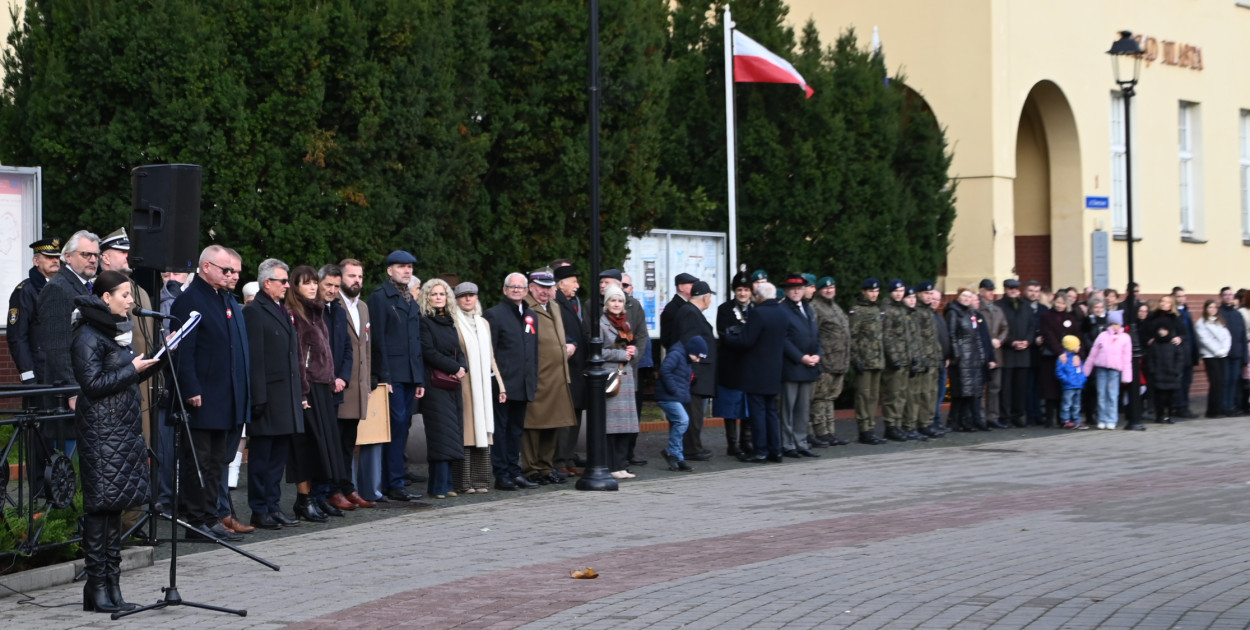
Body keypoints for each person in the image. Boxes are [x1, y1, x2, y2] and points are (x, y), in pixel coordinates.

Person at [71, 270, 164, 613]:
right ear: (105, 298)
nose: (130, 300)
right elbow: (93, 385)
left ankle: (112, 585)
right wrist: (132, 370)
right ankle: (97, 588)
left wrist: (153, 364)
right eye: (125, 294)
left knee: (113, 509)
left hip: (119, 431)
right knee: (100, 510)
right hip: (100, 432)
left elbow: (121, 376)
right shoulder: (86, 336)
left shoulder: (111, 333)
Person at [169, 245, 249, 542]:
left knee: (217, 461)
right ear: (205, 267)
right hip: (201, 396)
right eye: (225, 270)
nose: (230, 275)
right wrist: (190, 388)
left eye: (232, 271)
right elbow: (183, 350)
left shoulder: (221, 298)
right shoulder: (189, 300)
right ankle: (195, 520)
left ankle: (211, 516)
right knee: (198, 461)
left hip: (223, 396)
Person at [242, 259, 303, 530]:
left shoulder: (282, 309)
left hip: (285, 396)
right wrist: (259, 398)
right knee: (261, 457)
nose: (287, 285)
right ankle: (259, 509)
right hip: (266, 397)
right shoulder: (255, 311)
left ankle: (273, 505)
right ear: (267, 283)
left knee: (278, 456)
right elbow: (255, 359)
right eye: (283, 281)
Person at [286, 265, 348, 521]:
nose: (312, 287)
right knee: (305, 446)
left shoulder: (316, 312)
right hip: (307, 388)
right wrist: (302, 392)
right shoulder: (296, 314)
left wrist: (332, 378)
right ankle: (303, 499)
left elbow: (326, 352)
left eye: (314, 282)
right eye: (306, 283)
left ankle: (316, 498)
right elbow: (299, 357)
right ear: (295, 287)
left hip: (323, 387)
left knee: (322, 446)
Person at [368, 250, 426, 501]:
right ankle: (392, 483)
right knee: (394, 427)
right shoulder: (381, 298)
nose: (407, 271)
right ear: (389, 270)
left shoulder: (410, 299)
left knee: (403, 428)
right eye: (402, 267)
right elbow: (378, 340)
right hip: (392, 376)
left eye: (410, 267)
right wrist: (385, 377)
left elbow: (416, 342)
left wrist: (420, 377)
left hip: (410, 375)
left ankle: (397, 480)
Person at [483, 273, 540, 491]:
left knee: (516, 430)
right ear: (505, 290)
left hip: (524, 384)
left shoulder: (531, 315)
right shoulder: (494, 315)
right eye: (512, 287)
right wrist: (496, 382)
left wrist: (532, 380)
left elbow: (533, 351)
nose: (516, 290)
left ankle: (515, 472)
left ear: (527, 290)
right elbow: (490, 353)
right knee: (501, 429)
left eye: (520, 287)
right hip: (503, 385)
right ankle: (501, 474)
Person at [521, 268, 575, 485]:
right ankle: (530, 469)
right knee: (532, 426)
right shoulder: (525, 307)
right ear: (531, 287)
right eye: (541, 287)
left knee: (553, 424)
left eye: (549, 287)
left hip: (557, 377)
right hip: (538, 376)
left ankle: (546, 467)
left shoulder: (555, 306)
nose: (545, 292)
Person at [450, 282, 504, 494]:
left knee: (483, 431)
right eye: (463, 296)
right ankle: (463, 481)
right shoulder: (453, 323)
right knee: (466, 431)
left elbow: (490, 357)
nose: (468, 299)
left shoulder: (483, 324)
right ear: (456, 299)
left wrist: (500, 384)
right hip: (463, 383)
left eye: (472, 295)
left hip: (481, 384)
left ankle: (481, 480)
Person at [726, 282, 788, 461]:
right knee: (771, 411)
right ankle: (775, 450)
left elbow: (746, 340)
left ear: (759, 297)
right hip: (775, 369)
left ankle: (760, 450)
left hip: (757, 371)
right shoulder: (782, 313)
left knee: (758, 412)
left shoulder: (759, 313)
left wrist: (730, 337)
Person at [314, 265, 358, 513]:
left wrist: (342, 377)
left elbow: (347, 349)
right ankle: (318, 495)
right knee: (320, 444)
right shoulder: (312, 311)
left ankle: (330, 491)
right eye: (327, 285)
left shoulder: (339, 313)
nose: (332, 290)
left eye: (335, 286)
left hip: (336, 387)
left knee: (333, 443)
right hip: (318, 387)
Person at [418, 279, 467, 498]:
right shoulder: (425, 321)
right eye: (434, 294)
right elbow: (428, 351)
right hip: (435, 383)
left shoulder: (449, 321)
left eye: (442, 294)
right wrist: (454, 367)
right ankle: (437, 486)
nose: (438, 297)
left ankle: (448, 484)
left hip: (452, 384)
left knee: (452, 434)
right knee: (440, 434)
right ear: (427, 297)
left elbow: (458, 349)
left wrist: (463, 366)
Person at [335, 259, 378, 506]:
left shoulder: (362, 307)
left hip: (358, 386)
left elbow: (367, 347)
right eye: (352, 276)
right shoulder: (333, 305)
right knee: (338, 440)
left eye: (360, 276)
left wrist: (367, 382)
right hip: (341, 384)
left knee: (350, 440)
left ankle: (348, 488)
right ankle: (337, 488)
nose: (357, 280)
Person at [775, 274, 821, 457]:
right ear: (786, 291)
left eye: (799, 288)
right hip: (792, 366)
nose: (796, 291)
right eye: (792, 288)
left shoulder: (808, 309)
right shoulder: (782, 310)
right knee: (788, 408)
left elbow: (816, 335)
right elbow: (783, 339)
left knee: (803, 408)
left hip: (809, 365)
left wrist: (818, 354)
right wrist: (800, 357)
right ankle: (787, 444)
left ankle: (801, 442)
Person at [7, 236, 60, 385]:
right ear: (36, 261)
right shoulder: (25, 291)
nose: (55, 260)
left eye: (57, 257)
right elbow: (17, 337)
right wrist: (28, 375)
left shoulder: (62, 288)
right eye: (49, 257)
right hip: (39, 372)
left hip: (61, 370)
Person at [599, 285, 639, 478]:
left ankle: (621, 465)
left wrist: (633, 352)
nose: (617, 304)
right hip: (611, 377)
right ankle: (611, 465)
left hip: (626, 375)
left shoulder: (626, 324)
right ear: (607, 303)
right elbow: (598, 350)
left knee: (626, 426)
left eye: (620, 300)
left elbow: (631, 345)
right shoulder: (601, 323)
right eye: (613, 300)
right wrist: (621, 353)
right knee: (611, 426)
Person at [552, 264, 587, 476]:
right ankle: (559, 460)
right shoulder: (556, 303)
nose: (577, 286)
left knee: (575, 416)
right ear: (561, 283)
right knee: (564, 418)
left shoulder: (573, 302)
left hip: (577, 369)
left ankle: (568, 457)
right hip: (566, 369)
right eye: (573, 281)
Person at [676, 280, 717, 461]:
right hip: (695, 373)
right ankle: (691, 448)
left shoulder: (691, 312)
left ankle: (693, 446)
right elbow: (690, 342)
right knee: (693, 411)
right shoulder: (690, 313)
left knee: (695, 411)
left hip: (697, 372)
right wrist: (695, 370)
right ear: (706, 297)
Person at [809, 276, 850, 446]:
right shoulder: (815, 307)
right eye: (825, 288)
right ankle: (821, 432)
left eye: (832, 287)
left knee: (830, 398)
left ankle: (830, 431)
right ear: (819, 290)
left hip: (839, 361)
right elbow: (813, 334)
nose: (829, 290)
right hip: (825, 361)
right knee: (820, 397)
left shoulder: (835, 306)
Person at [656, 336, 705, 472]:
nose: (698, 360)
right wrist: (674, 390)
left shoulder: (686, 359)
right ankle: (672, 452)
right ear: (692, 350)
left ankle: (678, 457)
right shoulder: (676, 354)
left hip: (673, 397)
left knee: (680, 423)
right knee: (683, 421)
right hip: (668, 396)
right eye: (698, 356)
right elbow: (665, 370)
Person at [850, 278, 887, 444]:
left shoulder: (876, 310)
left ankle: (871, 427)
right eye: (871, 291)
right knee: (863, 396)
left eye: (877, 291)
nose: (874, 294)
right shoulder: (858, 311)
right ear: (864, 292)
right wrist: (856, 359)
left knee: (872, 397)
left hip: (877, 360)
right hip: (864, 361)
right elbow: (852, 336)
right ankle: (864, 429)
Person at [880, 279, 918, 441]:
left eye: (901, 291)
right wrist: (893, 358)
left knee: (902, 394)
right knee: (892, 394)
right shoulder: (887, 309)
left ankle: (898, 423)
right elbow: (887, 336)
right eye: (896, 291)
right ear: (890, 292)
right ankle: (891, 425)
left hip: (905, 359)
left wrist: (912, 357)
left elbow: (908, 337)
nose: (899, 294)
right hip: (894, 361)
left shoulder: (903, 310)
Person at [946, 287, 988, 432]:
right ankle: (956, 421)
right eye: (964, 295)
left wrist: (981, 354)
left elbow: (977, 336)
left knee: (969, 392)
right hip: (962, 358)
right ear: (958, 296)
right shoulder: (953, 313)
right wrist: (956, 354)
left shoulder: (971, 313)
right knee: (961, 392)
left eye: (969, 296)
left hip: (973, 357)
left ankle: (965, 421)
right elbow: (951, 335)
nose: (966, 299)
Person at [1083, 311, 1132, 430]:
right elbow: (1093, 353)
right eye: (1112, 323)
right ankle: (1102, 418)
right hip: (1101, 368)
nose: (1114, 326)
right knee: (1101, 394)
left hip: (1114, 370)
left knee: (1112, 395)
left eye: (1117, 323)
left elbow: (1127, 357)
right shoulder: (1102, 335)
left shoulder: (1125, 338)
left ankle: (1111, 419)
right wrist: (1086, 370)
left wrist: (1126, 375)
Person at [621, 272, 650, 466]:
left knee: (633, 412)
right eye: (621, 284)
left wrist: (635, 353)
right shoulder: (602, 305)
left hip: (633, 366)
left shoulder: (635, 306)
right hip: (614, 368)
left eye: (627, 285)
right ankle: (616, 455)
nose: (624, 289)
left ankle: (629, 452)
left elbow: (642, 334)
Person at [908, 283, 944, 438]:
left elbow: (933, 339)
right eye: (926, 293)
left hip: (933, 360)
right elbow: (915, 339)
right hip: (922, 361)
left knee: (930, 394)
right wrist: (919, 358)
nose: (929, 296)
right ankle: (916, 424)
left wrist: (938, 356)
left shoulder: (929, 312)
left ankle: (927, 423)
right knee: (918, 395)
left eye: (931, 293)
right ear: (919, 294)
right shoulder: (916, 312)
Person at [996, 279, 1033, 428]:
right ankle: (1005, 416)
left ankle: (1018, 415)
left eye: (1016, 288)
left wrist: (1027, 341)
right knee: (1006, 388)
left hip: (1024, 353)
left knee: (1020, 387)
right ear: (1005, 289)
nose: (1014, 291)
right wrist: (1011, 342)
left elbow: (1032, 327)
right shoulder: (999, 306)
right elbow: (999, 329)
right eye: (1011, 288)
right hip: (1007, 353)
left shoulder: (1026, 306)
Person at [1039, 294, 1079, 428]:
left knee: (1064, 388)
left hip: (1068, 357)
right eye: (1057, 302)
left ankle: (1063, 418)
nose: (1059, 305)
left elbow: (1076, 336)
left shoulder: (1070, 318)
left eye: (1062, 303)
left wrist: (1077, 352)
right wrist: (1059, 352)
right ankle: (1049, 419)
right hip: (1051, 356)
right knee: (1050, 389)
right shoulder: (1047, 316)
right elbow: (1048, 335)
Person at [976, 280, 1008, 428]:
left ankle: (992, 417)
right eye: (988, 290)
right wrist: (989, 342)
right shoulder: (978, 308)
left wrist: (999, 340)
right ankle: (981, 417)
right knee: (982, 387)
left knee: (995, 387)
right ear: (981, 291)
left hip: (997, 353)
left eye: (992, 290)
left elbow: (1005, 328)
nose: (991, 293)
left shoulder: (997, 310)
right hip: (983, 353)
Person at [1195, 299, 1230, 419]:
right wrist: (1217, 351)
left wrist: (1225, 350)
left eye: (1215, 307)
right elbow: (1205, 340)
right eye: (1210, 307)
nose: (1213, 309)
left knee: (1221, 382)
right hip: (1210, 356)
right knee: (1215, 383)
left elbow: (1227, 336)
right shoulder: (1201, 323)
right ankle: (1212, 411)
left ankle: (1218, 408)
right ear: (1205, 309)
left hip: (1222, 355)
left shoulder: (1219, 321)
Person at [1145, 321, 1185, 424]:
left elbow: (1179, 358)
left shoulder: (1173, 344)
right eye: (1160, 330)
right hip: (1159, 375)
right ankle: (1160, 415)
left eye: (1164, 330)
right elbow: (1150, 359)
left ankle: (1170, 415)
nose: (1162, 332)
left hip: (1172, 374)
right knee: (1160, 398)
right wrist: (1153, 370)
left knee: (1171, 398)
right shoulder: (1154, 344)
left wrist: (1176, 370)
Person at [1170, 287, 1199, 418]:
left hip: (1189, 351)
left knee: (1187, 382)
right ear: (1174, 297)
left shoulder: (1187, 312)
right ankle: (1179, 407)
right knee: (1179, 382)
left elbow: (1191, 334)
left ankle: (1185, 406)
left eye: (1183, 296)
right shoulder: (1173, 314)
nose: (1181, 298)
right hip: (1179, 353)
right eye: (1179, 296)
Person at [1056, 335, 1087, 429]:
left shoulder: (1077, 358)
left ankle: (1076, 419)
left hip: (1078, 385)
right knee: (1067, 403)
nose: (1079, 347)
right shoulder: (1063, 358)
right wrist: (1067, 381)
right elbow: (1059, 372)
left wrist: (1082, 379)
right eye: (1077, 345)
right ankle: (1065, 420)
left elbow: (1082, 370)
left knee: (1077, 404)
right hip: (1069, 386)